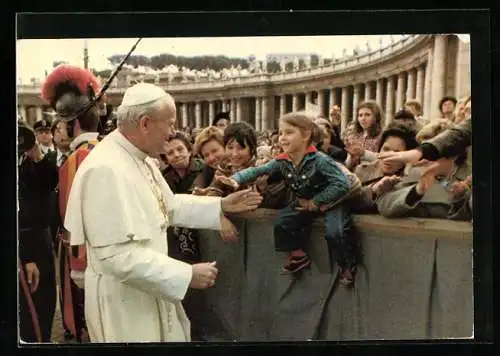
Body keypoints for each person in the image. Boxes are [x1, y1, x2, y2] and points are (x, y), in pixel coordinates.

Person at [63, 82, 263, 343]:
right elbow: (115, 256)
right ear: (145, 123)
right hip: (126, 304)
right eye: (169, 124)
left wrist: (221, 205)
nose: (172, 133)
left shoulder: (140, 158)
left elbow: (167, 206)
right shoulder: (106, 169)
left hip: (149, 287)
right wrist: (186, 274)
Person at [219, 112, 362, 285]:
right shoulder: (283, 161)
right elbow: (258, 171)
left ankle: (347, 265)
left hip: (334, 201)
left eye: (288, 133)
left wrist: (316, 202)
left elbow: (342, 185)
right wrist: (236, 179)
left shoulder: (322, 161)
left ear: (306, 135)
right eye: (280, 133)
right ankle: (298, 256)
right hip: (305, 200)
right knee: (283, 222)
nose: (282, 138)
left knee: (335, 231)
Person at [40, 64, 104, 342]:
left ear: (73, 123)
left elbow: (76, 217)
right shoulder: (101, 150)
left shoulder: (77, 158)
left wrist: (77, 265)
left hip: (83, 254)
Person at [18, 126, 58, 342]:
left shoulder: (28, 162)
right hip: (27, 248)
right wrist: (27, 256)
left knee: (44, 308)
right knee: (30, 313)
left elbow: (50, 180)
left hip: (39, 244)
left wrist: (36, 154)